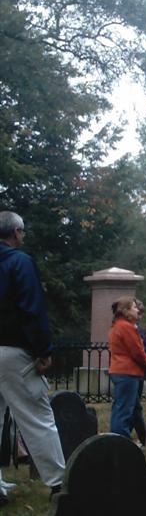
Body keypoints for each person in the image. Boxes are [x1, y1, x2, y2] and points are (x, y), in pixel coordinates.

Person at [0, 211, 65, 498]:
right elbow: (31, 308)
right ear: (15, 232)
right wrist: (43, 350)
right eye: (22, 232)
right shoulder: (19, 262)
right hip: (13, 351)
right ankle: (59, 483)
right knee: (37, 418)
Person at [108, 296, 146, 444]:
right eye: (133, 307)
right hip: (128, 372)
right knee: (124, 410)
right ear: (125, 311)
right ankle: (120, 443)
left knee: (131, 409)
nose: (137, 310)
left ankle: (145, 439)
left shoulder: (117, 325)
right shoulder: (126, 327)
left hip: (121, 371)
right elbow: (137, 352)